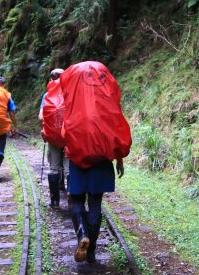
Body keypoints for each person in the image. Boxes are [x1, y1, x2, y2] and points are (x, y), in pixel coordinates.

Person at [59, 61, 131, 263]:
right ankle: (91, 253)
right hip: (102, 156)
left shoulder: (73, 103)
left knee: (76, 200)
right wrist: (120, 159)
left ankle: (83, 235)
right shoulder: (106, 100)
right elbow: (116, 125)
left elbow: (65, 131)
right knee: (96, 203)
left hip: (78, 156)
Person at [38, 68, 68, 208]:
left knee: (54, 168)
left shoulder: (47, 95)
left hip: (53, 137)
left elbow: (40, 117)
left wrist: (46, 129)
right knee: (69, 168)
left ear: (51, 79)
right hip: (69, 136)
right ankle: (73, 197)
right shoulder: (71, 92)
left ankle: (55, 201)